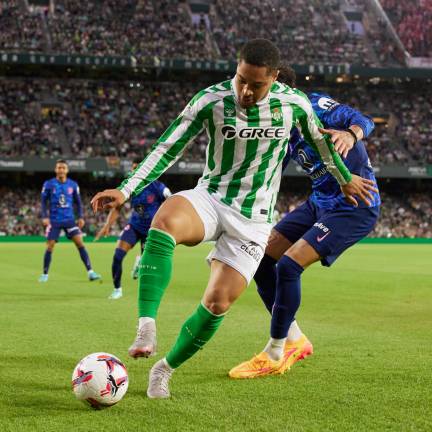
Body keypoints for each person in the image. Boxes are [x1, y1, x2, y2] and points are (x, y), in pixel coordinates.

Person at [91, 39, 377, 399]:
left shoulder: (295, 105)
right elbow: (167, 147)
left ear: (274, 79)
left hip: (254, 220)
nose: (245, 90)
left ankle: (164, 370)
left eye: (256, 85)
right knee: (164, 222)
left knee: (218, 303)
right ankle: (146, 325)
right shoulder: (211, 100)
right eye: (241, 79)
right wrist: (126, 189)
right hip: (210, 197)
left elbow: (321, 144)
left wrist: (345, 176)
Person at [229, 88, 381, 378]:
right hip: (318, 203)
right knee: (260, 260)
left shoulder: (314, 105)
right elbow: (270, 174)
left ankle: (275, 352)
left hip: (354, 205)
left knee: (289, 264)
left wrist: (351, 134)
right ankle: (295, 339)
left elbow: (363, 119)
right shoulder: (276, 125)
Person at [94, 158, 171, 300]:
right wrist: (107, 225)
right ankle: (117, 289)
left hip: (151, 231)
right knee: (117, 256)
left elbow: (170, 198)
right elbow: (118, 207)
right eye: (133, 168)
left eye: (138, 168)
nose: (135, 171)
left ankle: (140, 262)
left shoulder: (156, 186)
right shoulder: (130, 187)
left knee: (147, 268)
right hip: (134, 226)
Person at [38, 159, 101, 282]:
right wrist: (44, 216)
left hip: (69, 220)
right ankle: (45, 274)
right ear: (55, 170)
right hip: (54, 220)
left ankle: (90, 272)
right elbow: (43, 202)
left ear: (67, 170)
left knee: (80, 243)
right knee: (50, 246)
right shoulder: (48, 184)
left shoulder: (73, 185)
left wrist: (81, 216)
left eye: (63, 168)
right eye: (59, 167)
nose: (61, 170)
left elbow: (78, 202)